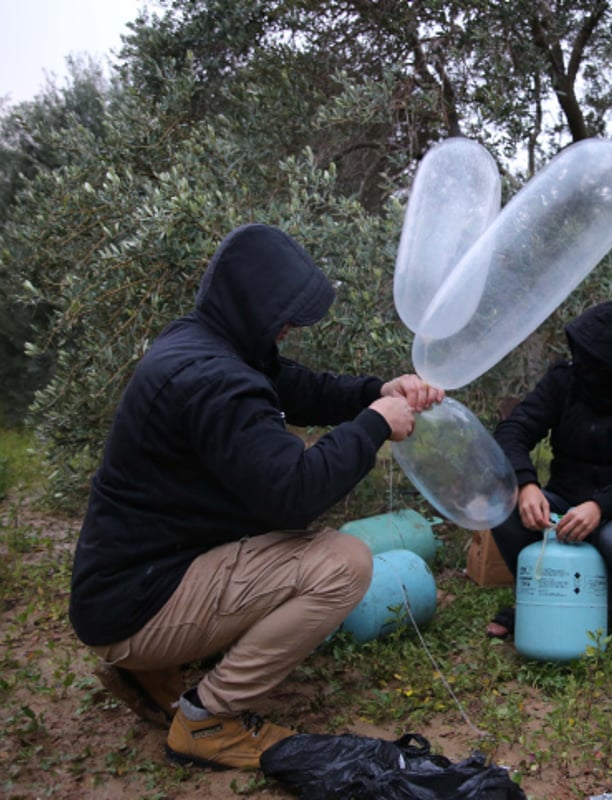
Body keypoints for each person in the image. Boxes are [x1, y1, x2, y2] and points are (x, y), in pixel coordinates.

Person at [68, 223, 443, 770]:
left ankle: (150, 671)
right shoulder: (214, 378)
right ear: (255, 304)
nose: (290, 328)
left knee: (287, 540)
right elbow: (295, 495)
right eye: (285, 315)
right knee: (342, 562)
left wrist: (374, 393)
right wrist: (372, 427)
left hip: (125, 589)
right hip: (137, 607)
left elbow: (297, 388)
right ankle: (208, 720)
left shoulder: (203, 343)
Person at [483, 298, 612, 658]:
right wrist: (527, 484)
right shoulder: (565, 380)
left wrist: (601, 505)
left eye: (595, 362)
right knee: (501, 506)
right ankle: (536, 596)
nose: (587, 368)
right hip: (562, 502)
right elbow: (513, 431)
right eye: (582, 356)